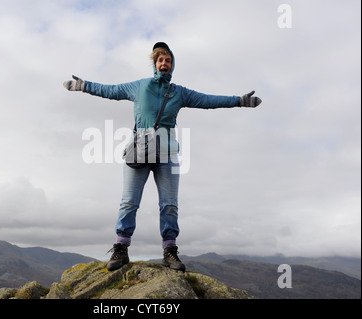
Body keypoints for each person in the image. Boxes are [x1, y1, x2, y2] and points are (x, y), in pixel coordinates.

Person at [63, 42, 262, 272]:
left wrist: (238, 101)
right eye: (160, 60)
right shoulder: (139, 86)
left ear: (172, 64)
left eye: (167, 60)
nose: (164, 63)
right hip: (139, 150)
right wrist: (84, 85)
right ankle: (121, 248)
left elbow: (208, 100)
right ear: (155, 64)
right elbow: (110, 90)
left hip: (167, 154)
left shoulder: (179, 92)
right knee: (129, 202)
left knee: (169, 205)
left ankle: (170, 251)